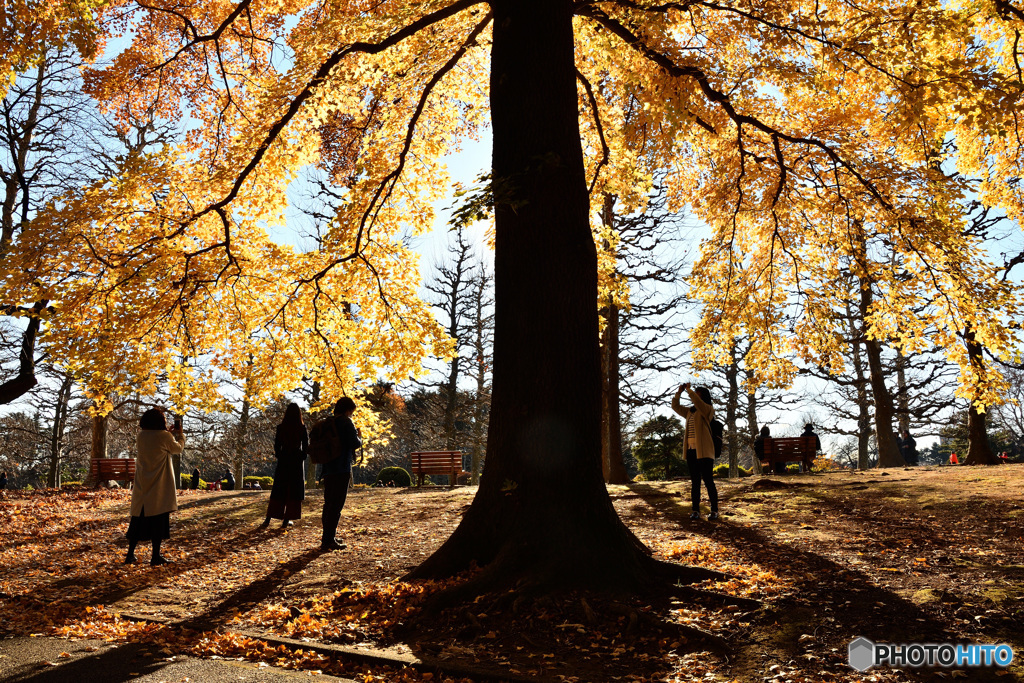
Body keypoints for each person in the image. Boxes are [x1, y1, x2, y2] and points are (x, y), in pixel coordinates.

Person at [126, 408, 185, 566]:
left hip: (142, 485)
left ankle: (129, 555)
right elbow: (177, 449)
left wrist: (167, 432)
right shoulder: (164, 436)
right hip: (158, 485)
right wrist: (180, 435)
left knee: (137, 521)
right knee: (159, 520)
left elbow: (157, 441)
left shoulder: (141, 436)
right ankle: (155, 556)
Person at [672, 383, 718, 521]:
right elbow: (675, 407)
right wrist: (679, 393)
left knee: (708, 481)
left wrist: (689, 390)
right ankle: (695, 510)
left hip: (704, 451)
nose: (694, 394)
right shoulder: (690, 411)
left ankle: (714, 510)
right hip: (692, 451)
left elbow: (698, 402)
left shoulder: (707, 409)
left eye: (698, 392)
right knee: (695, 482)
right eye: (695, 392)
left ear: (703, 395)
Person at [321, 397, 361, 550]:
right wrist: (360, 438)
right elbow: (354, 443)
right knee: (336, 505)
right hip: (341, 467)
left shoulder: (328, 422)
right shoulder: (345, 422)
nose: (351, 414)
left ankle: (327, 536)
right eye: (351, 411)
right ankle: (328, 540)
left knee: (328, 503)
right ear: (348, 409)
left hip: (328, 468)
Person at [261, 403, 308, 529]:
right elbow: (306, 446)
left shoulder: (281, 427)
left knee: (279, 489)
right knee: (293, 490)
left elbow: (277, 445)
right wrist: (302, 456)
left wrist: (280, 455)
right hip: (296, 461)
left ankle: (268, 518)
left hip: (284, 460)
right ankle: (286, 520)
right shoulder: (302, 428)